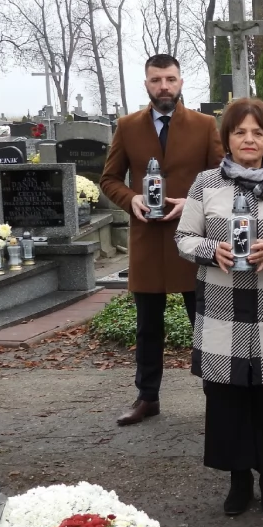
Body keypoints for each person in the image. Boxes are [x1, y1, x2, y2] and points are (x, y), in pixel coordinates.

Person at [175, 98, 263, 515]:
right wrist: (209, 250)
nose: (249, 139)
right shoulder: (205, 184)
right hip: (223, 309)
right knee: (228, 401)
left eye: (257, 132)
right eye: (240, 132)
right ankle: (238, 480)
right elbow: (183, 238)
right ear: (228, 140)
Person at [101, 53, 224, 426]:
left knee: (203, 322)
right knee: (148, 326)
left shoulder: (204, 125)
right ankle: (147, 397)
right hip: (148, 241)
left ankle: (217, 396)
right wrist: (132, 198)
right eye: (156, 80)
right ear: (147, 84)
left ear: (181, 81)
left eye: (170, 79)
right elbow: (109, 179)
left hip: (193, 241)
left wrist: (194, 202)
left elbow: (222, 176)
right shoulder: (127, 126)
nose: (164, 87)